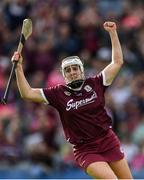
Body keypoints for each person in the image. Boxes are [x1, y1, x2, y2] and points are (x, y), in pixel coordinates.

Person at [12, 21, 133, 179]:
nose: (72, 72)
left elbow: (117, 62)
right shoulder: (58, 93)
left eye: (75, 68)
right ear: (64, 75)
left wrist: (113, 33)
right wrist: (19, 68)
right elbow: (27, 93)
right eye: (68, 70)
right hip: (86, 149)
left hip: (108, 140)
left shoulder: (96, 83)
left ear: (81, 70)